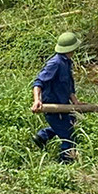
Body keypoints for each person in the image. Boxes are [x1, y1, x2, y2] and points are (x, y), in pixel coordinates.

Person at [31, 31, 83, 163]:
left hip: (64, 105)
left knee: (72, 121)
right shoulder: (55, 63)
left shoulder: (67, 62)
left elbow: (68, 85)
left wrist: (75, 101)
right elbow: (38, 83)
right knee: (68, 137)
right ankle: (65, 163)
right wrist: (37, 100)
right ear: (71, 48)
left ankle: (42, 136)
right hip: (53, 106)